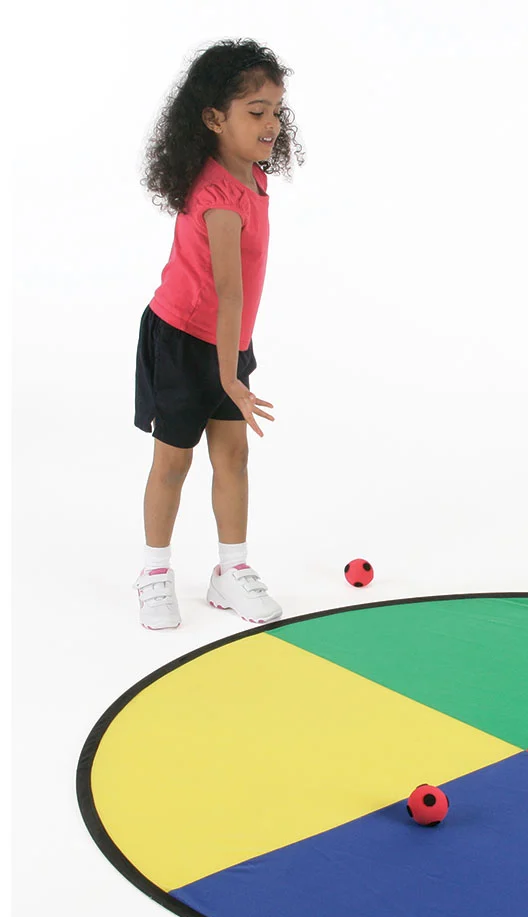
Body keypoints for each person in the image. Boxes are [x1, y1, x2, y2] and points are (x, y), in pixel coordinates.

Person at [133, 38, 304, 629]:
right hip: (181, 340)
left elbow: (235, 301)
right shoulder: (217, 195)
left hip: (228, 341)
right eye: (256, 111)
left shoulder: (252, 175)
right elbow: (228, 289)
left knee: (233, 454)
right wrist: (230, 378)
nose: (271, 123)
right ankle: (155, 572)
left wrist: (232, 361)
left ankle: (231, 571)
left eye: (276, 110)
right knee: (173, 460)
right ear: (213, 118)